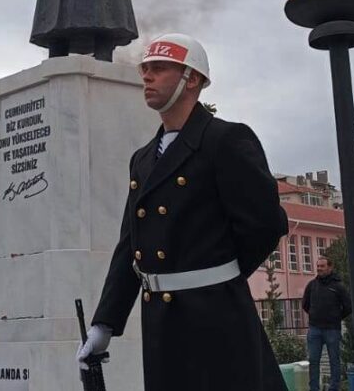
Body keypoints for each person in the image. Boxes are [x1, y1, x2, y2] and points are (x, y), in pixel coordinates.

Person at [79, 33, 289, 389]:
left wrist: (216, 275)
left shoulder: (227, 140)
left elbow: (266, 225)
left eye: (159, 69)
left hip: (217, 318)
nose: (146, 76)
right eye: (145, 69)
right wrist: (104, 325)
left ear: (192, 78)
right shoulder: (143, 158)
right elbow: (130, 246)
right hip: (160, 320)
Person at [302, 256, 352, 391]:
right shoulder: (312, 285)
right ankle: (314, 388)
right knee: (313, 361)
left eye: (322, 266)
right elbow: (305, 305)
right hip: (314, 330)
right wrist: (314, 315)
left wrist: (336, 318)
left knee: (334, 360)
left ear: (330, 267)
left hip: (332, 329)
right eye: (318, 266)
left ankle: (334, 387)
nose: (319, 269)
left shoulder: (338, 286)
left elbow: (348, 306)